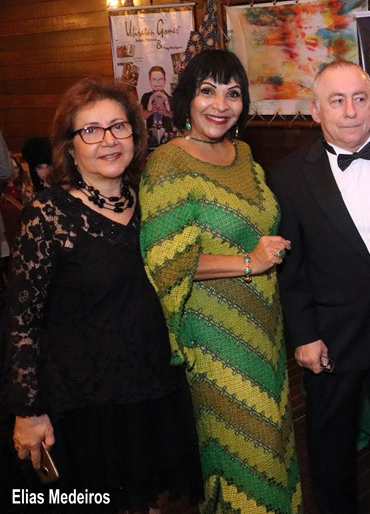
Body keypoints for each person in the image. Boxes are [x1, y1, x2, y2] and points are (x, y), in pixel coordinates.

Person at [2, 77, 201, 511]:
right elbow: (22, 322)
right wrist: (27, 411)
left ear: (136, 134)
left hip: (153, 393)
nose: (109, 140)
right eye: (91, 130)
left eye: (118, 126)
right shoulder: (49, 213)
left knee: (150, 502)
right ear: (70, 147)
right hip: (85, 407)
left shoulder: (153, 201)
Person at [139, 50, 302, 514]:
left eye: (233, 94)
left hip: (264, 327)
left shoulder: (243, 154)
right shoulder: (167, 163)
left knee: (274, 440)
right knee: (243, 452)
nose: (220, 104)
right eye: (207, 91)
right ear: (187, 99)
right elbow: (167, 262)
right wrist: (249, 262)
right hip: (212, 335)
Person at [270, 60, 370, 514]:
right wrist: (303, 336)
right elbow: (291, 268)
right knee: (330, 444)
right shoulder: (288, 176)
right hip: (332, 335)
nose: (350, 111)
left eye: (359, 98)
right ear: (315, 111)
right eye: (337, 101)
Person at [20, 136, 53, 201]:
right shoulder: (36, 193)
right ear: (34, 170)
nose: (45, 172)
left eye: (49, 166)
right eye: (39, 167)